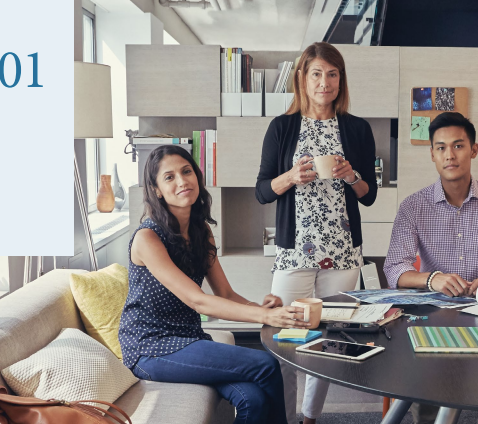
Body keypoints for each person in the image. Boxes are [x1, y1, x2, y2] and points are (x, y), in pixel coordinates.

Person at [119, 145, 310, 424]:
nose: (182, 181)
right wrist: (264, 317)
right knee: (265, 364)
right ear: (157, 190)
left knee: (252, 400)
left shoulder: (201, 231)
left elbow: (225, 294)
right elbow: (198, 300)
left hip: (189, 338)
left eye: (187, 172)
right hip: (151, 348)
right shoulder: (148, 238)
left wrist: (260, 307)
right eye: (169, 177)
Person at [255, 42, 378, 424]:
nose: (324, 83)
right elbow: (261, 190)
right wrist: (290, 177)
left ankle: (309, 417)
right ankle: (284, 416)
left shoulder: (357, 128)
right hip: (294, 252)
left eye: (332, 74)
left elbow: (369, 195)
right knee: (285, 337)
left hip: (342, 253)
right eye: (316, 74)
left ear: (341, 80)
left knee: (329, 342)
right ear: (302, 79)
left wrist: (351, 175)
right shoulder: (283, 126)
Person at [384, 112, 478, 424]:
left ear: (473, 150)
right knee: (426, 402)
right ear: (432, 154)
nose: (449, 155)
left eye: (458, 146)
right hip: (432, 316)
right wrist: (433, 279)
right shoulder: (413, 206)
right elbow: (395, 268)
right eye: (440, 148)